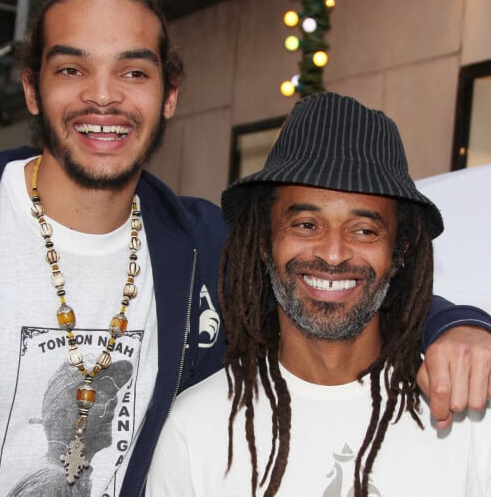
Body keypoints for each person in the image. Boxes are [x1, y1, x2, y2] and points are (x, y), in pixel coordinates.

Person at [0, 0, 488, 497]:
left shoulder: (198, 246)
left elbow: (341, 283)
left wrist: (458, 325)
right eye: (72, 69)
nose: (104, 96)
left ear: (170, 95)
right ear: (32, 89)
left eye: (133, 71)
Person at [146, 92, 491, 496]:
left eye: (364, 230)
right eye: (306, 224)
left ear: (401, 250)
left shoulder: (466, 413)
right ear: (263, 241)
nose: (333, 253)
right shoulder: (195, 427)